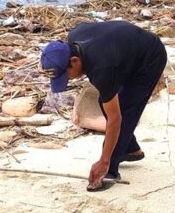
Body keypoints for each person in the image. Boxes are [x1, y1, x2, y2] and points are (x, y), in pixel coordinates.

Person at [40, 21, 168, 192]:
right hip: (124, 55)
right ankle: (131, 149)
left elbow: (115, 119)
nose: (68, 79)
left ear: (75, 60)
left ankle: (110, 171)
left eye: (66, 75)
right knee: (104, 101)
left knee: (124, 109)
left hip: (149, 58)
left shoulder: (102, 68)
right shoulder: (74, 37)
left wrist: (104, 160)